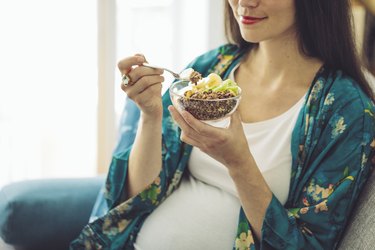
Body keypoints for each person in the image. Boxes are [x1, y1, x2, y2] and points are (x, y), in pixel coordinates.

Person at [71, 0, 375, 249]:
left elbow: (308, 244)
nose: (244, 2)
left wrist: (239, 163)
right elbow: (138, 196)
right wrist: (151, 116)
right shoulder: (211, 67)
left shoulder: (346, 111)